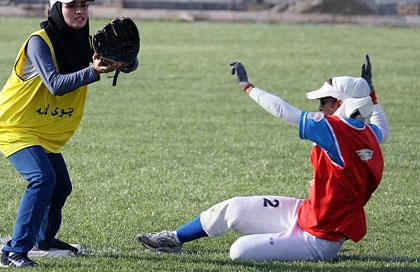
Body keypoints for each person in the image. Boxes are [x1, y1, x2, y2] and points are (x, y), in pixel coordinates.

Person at [136, 58, 388, 262]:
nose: (321, 106)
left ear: (343, 103)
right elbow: (382, 127)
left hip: (319, 240)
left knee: (239, 251)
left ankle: (283, 241)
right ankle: (173, 239)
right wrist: (370, 95)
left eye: (326, 101)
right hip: (307, 213)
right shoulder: (368, 135)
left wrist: (248, 86)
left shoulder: (334, 130)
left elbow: (283, 111)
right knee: (232, 208)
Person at [0, 0, 138, 268]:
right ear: (57, 9)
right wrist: (94, 71)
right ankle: (13, 252)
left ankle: (45, 240)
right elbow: (55, 84)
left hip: (44, 131)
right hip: (14, 126)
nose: (80, 11)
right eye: (71, 6)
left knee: (61, 186)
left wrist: (126, 61)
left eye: (83, 6)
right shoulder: (38, 42)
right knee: (43, 179)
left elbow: (128, 63)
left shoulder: (90, 45)